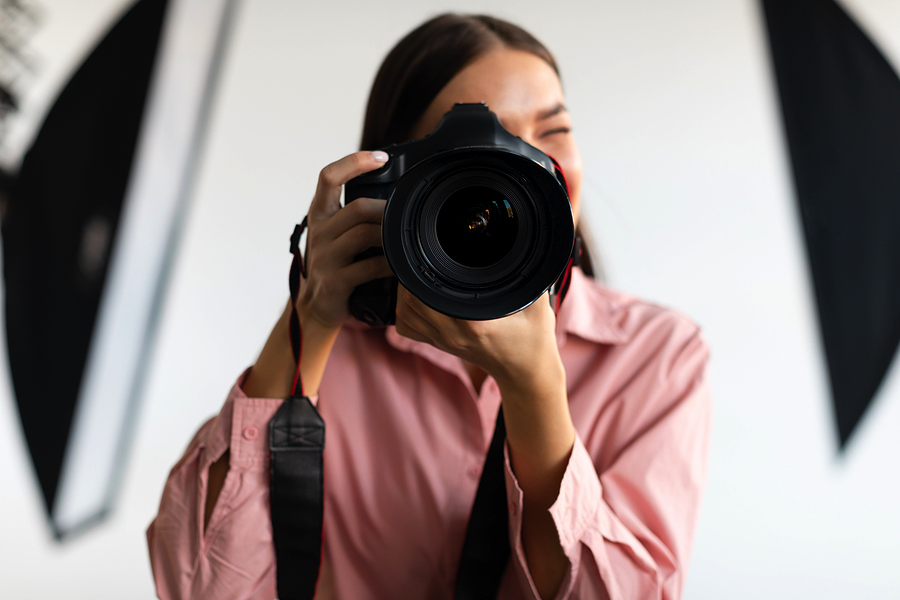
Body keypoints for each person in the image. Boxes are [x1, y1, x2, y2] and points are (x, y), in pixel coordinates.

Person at [147, 13, 711, 600]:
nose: (529, 166)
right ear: (399, 180)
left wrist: (536, 389)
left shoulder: (657, 356)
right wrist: (309, 317)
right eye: (485, 146)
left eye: (552, 130)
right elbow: (199, 587)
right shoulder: (334, 350)